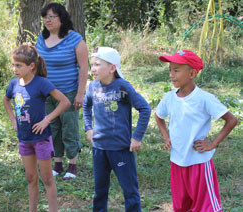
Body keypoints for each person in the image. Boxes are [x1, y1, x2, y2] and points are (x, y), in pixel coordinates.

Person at [155, 50, 238, 212]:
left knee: (206, 207)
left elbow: (232, 120)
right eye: (170, 70)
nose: (171, 74)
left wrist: (213, 143)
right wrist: (166, 137)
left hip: (198, 163)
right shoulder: (169, 97)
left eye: (176, 70)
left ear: (192, 73)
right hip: (177, 162)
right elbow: (158, 117)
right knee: (181, 207)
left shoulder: (204, 98)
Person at [82, 47, 151, 211]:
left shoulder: (122, 86)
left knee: (129, 191)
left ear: (112, 68)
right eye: (92, 64)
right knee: (99, 191)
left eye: (98, 64)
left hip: (120, 149)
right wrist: (88, 128)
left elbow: (145, 109)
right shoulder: (92, 86)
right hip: (99, 148)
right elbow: (86, 106)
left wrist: (137, 137)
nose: (93, 69)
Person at [3, 45, 70, 212]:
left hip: (41, 139)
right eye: (13, 65)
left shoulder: (41, 83)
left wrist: (46, 120)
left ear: (31, 66)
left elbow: (65, 102)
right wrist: (13, 121)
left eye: (18, 65)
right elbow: (6, 101)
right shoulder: (13, 84)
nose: (14, 69)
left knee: (47, 178)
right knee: (31, 177)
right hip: (24, 139)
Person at [35, 2, 89, 180]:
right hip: (47, 93)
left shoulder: (75, 39)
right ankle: (57, 164)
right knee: (52, 127)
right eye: (45, 17)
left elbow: (83, 68)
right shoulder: (41, 39)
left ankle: (72, 165)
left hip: (69, 92)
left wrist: (80, 94)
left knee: (69, 128)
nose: (47, 20)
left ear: (62, 18)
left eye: (51, 16)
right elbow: (37, 66)